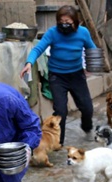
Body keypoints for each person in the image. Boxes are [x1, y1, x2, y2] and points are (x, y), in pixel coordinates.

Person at [20, 5, 97, 146]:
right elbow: (38, 48)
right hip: (57, 76)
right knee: (60, 111)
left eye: (68, 22)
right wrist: (29, 62)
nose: (64, 25)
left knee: (87, 107)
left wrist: (92, 65)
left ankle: (87, 128)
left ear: (75, 22)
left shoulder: (83, 33)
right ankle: (58, 141)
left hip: (76, 75)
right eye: (61, 22)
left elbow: (91, 48)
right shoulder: (52, 33)